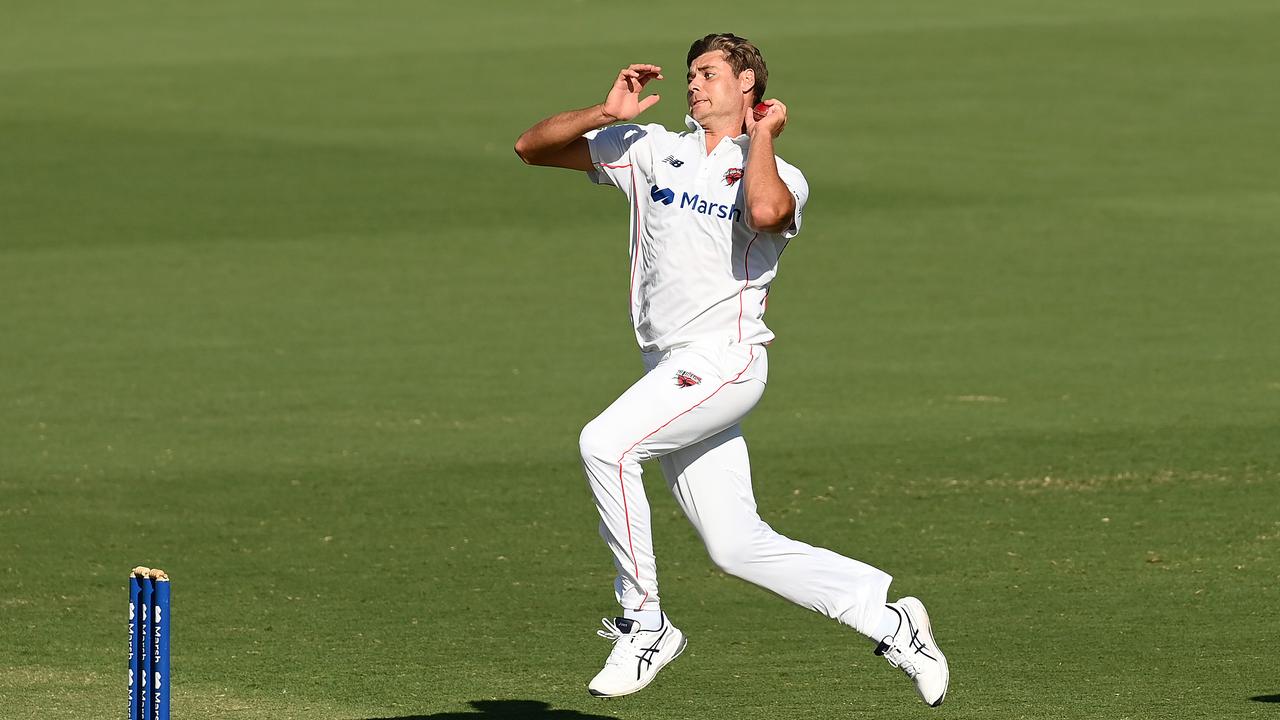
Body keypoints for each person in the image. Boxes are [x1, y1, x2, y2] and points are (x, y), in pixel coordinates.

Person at [514, 33, 949, 707]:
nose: (694, 83)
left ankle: (645, 622)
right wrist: (605, 115)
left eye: (710, 73)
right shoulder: (652, 149)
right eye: (691, 73)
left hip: (725, 360)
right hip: (669, 368)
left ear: (747, 85)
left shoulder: (776, 171)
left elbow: (769, 213)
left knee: (605, 443)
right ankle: (890, 621)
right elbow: (532, 148)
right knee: (735, 545)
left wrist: (763, 137)